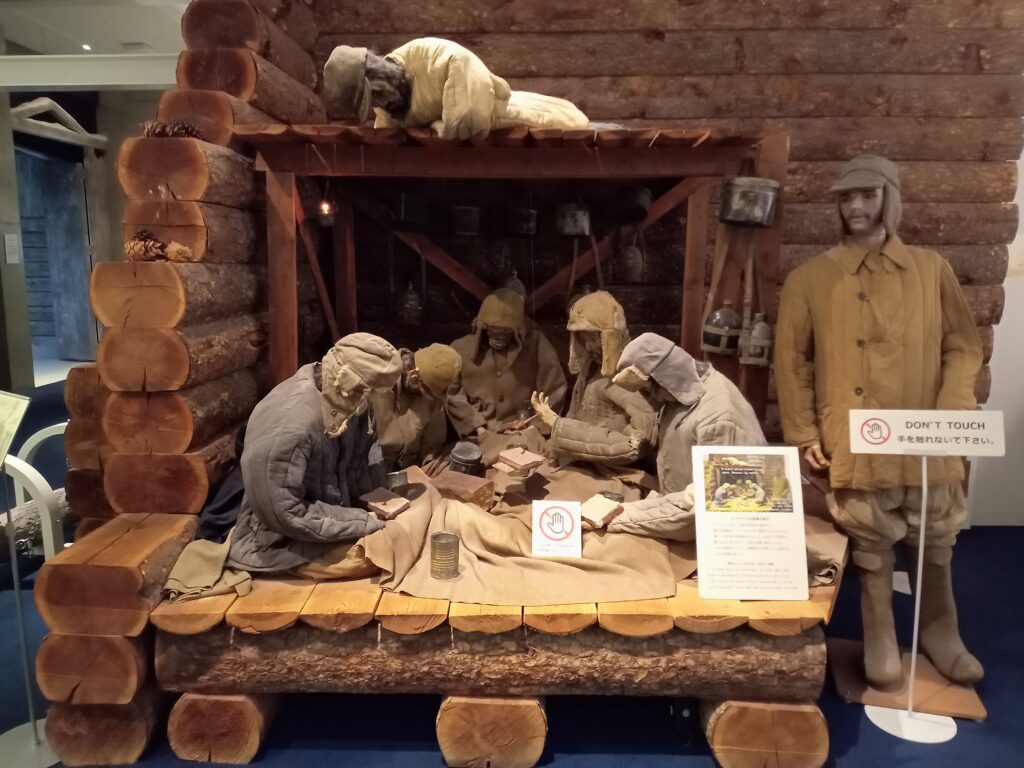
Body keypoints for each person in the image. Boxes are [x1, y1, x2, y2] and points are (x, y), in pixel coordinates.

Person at [774, 154, 984, 690]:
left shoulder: (931, 270)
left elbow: (963, 346)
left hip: (926, 434)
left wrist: (953, 412)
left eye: (868, 194)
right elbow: (792, 362)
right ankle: (880, 638)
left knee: (935, 534)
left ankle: (940, 631)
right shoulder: (810, 279)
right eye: (847, 197)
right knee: (869, 539)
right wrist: (803, 432)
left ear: (890, 198)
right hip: (855, 434)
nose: (856, 206)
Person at [227, 334, 403, 574]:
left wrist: (380, 504)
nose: (374, 399)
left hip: (337, 517)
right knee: (379, 557)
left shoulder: (354, 398)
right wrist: (364, 522)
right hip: (282, 539)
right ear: (348, 381)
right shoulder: (290, 424)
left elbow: (365, 460)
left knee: (404, 538)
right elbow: (284, 513)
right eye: (369, 391)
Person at [601, 332, 766, 540]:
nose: (651, 397)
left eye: (650, 388)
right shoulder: (680, 398)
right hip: (681, 510)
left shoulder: (720, 418)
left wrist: (623, 518)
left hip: (721, 535)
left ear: (666, 375)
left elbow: (712, 506)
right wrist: (629, 510)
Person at [322, 38, 589, 139]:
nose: (377, 105)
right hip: (479, 133)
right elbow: (387, 133)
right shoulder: (389, 103)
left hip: (509, 114)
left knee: (573, 122)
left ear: (377, 78)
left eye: (375, 97)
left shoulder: (434, 56)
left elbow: (469, 116)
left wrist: (437, 128)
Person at [531, 291, 658, 466]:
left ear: (610, 335)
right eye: (582, 339)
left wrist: (558, 425)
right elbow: (574, 417)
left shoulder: (631, 375)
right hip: (582, 464)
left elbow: (638, 443)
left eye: (594, 337)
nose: (589, 346)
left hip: (616, 472)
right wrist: (554, 451)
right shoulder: (590, 368)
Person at [446, 287, 567, 437]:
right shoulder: (460, 349)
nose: (498, 336)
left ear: (517, 329)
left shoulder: (537, 345)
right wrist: (477, 427)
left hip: (525, 431)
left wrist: (535, 426)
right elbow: (452, 394)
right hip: (480, 434)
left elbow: (554, 390)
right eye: (492, 329)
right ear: (482, 326)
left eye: (505, 331)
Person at [370, 343, 462, 470]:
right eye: (426, 391)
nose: (430, 398)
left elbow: (432, 444)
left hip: (411, 467)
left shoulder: (435, 395)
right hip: (374, 468)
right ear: (414, 376)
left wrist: (428, 465)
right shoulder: (376, 382)